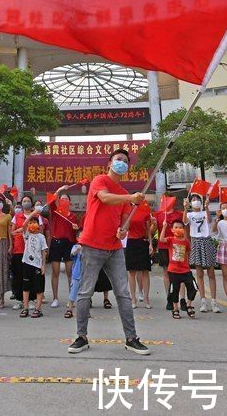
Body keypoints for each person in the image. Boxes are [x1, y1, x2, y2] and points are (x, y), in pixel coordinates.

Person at [67, 149, 150, 356]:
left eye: (125, 161)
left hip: (114, 248)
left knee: (123, 293)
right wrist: (130, 197)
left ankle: (131, 339)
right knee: (85, 291)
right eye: (118, 160)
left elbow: (122, 224)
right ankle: (81, 337)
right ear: (110, 163)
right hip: (92, 245)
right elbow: (104, 198)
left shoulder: (122, 192)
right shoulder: (100, 180)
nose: (121, 163)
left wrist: (123, 230)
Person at [10, 194, 49, 309]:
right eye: (24, 200)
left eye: (28, 200)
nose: (26, 202)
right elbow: (13, 232)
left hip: (34, 253)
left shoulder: (38, 217)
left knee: (33, 277)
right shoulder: (17, 216)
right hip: (19, 250)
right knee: (19, 276)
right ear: (21, 203)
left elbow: (41, 232)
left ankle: (32, 299)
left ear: (31, 203)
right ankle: (19, 299)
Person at [184, 192, 219, 313]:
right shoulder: (189, 214)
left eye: (197, 199)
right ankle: (203, 300)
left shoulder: (204, 212)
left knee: (211, 273)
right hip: (196, 241)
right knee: (199, 274)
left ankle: (214, 301)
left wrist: (207, 207)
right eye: (193, 200)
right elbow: (184, 221)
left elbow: (209, 220)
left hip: (206, 241)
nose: (195, 201)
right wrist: (184, 208)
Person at [159, 219, 197, 319]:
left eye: (180, 227)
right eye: (176, 227)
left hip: (185, 270)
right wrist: (164, 227)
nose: (178, 229)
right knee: (174, 290)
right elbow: (161, 240)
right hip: (173, 270)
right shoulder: (171, 240)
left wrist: (188, 265)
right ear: (172, 229)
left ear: (183, 230)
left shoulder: (186, 242)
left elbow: (188, 253)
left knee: (193, 287)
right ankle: (175, 308)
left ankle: (189, 305)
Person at [47, 188, 77, 309]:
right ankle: (55, 298)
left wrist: (76, 229)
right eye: (62, 199)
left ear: (69, 202)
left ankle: (71, 298)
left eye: (66, 199)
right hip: (56, 242)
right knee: (55, 272)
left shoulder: (73, 217)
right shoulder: (56, 212)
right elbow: (51, 200)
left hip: (68, 244)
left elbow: (77, 234)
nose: (63, 200)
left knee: (70, 272)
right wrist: (59, 190)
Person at [14, 214, 47, 318]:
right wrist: (33, 213)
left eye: (35, 222)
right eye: (30, 222)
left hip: (37, 265)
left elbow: (43, 252)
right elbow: (24, 225)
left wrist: (43, 266)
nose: (32, 224)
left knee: (39, 287)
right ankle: (25, 308)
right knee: (26, 287)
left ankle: (38, 309)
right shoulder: (27, 234)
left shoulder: (41, 237)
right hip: (27, 264)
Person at [154, 198, 183, 311]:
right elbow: (154, 230)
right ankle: (169, 297)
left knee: (179, 272)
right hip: (163, 246)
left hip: (176, 246)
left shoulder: (179, 214)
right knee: (166, 272)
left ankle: (181, 298)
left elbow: (184, 228)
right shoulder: (158, 214)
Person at [124, 199, 153, 310]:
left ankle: (146, 298)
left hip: (142, 241)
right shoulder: (128, 211)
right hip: (131, 241)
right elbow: (125, 227)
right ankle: (133, 299)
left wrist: (150, 244)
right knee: (132, 272)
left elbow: (148, 230)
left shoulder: (145, 211)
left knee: (145, 271)